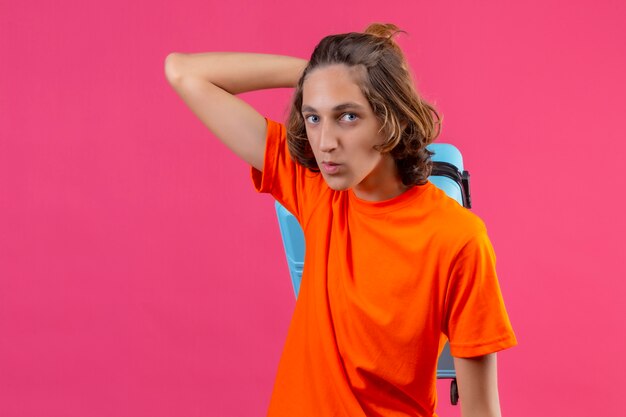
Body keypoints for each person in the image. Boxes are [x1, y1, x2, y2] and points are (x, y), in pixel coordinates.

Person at [165, 23, 517, 417]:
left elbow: (482, 409)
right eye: (313, 118)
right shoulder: (316, 187)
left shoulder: (458, 238)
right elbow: (183, 72)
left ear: (389, 120)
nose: (325, 143)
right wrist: (316, 76)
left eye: (347, 116)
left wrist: (330, 81)